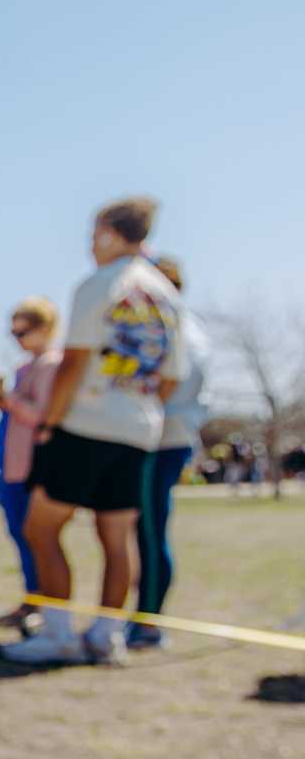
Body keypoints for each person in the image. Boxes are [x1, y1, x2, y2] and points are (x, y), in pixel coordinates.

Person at [3, 198, 187, 667]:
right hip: (139, 429)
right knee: (117, 536)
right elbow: (171, 376)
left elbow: (75, 362)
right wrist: (140, 410)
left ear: (109, 232)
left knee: (40, 529)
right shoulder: (168, 295)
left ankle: (60, 632)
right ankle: (108, 636)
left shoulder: (99, 284)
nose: (88, 244)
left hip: (84, 423)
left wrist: (50, 422)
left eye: (92, 233)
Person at [130, 255, 208, 649]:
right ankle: (142, 616)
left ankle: (147, 623)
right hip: (164, 437)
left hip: (161, 439)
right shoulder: (186, 326)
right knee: (144, 530)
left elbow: (169, 385)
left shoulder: (176, 327)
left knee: (149, 531)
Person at [0, 297, 62, 622]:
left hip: (33, 466)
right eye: (12, 333)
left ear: (45, 328)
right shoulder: (24, 368)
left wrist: (7, 397)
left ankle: (42, 603)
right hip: (11, 464)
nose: (17, 339)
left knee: (35, 535)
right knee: (19, 532)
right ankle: (31, 597)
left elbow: (41, 415)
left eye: (23, 332)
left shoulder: (52, 365)